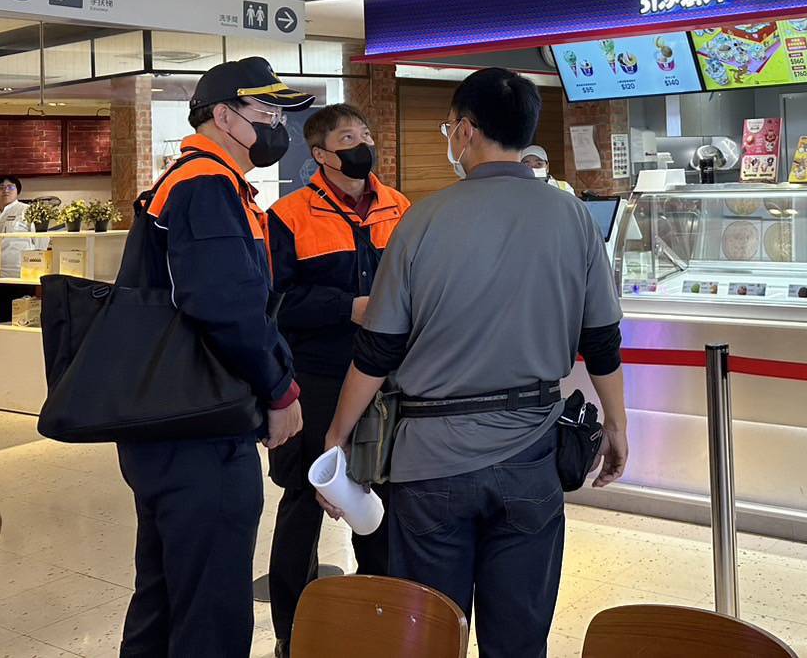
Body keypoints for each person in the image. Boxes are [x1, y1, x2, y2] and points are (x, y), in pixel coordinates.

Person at [322, 68, 628, 658]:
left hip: (428, 463)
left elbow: (378, 350)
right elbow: (602, 341)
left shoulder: (421, 220)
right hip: (532, 453)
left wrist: (337, 435)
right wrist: (616, 426)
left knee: (431, 636)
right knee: (519, 639)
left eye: (449, 130)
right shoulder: (572, 217)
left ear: (465, 131)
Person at [116, 57, 311, 658]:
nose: (278, 125)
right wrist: (280, 390)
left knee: (165, 596)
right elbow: (227, 305)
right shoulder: (207, 185)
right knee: (211, 609)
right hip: (201, 428)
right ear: (224, 116)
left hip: (169, 424)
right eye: (266, 111)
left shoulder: (195, 181)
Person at [265, 103, 411, 657]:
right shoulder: (288, 216)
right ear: (321, 155)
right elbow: (275, 303)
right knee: (306, 501)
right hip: (317, 377)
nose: (362, 144)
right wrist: (346, 307)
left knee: (381, 500)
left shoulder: (399, 207)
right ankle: (293, 631)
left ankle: (381, 619)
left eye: (365, 134)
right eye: (349, 137)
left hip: (387, 379)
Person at [0, 175, 31, 277]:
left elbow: (40, 241)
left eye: (10, 187)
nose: (5, 190)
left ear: (18, 191)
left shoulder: (27, 211)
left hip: (20, 273)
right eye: (1, 187)